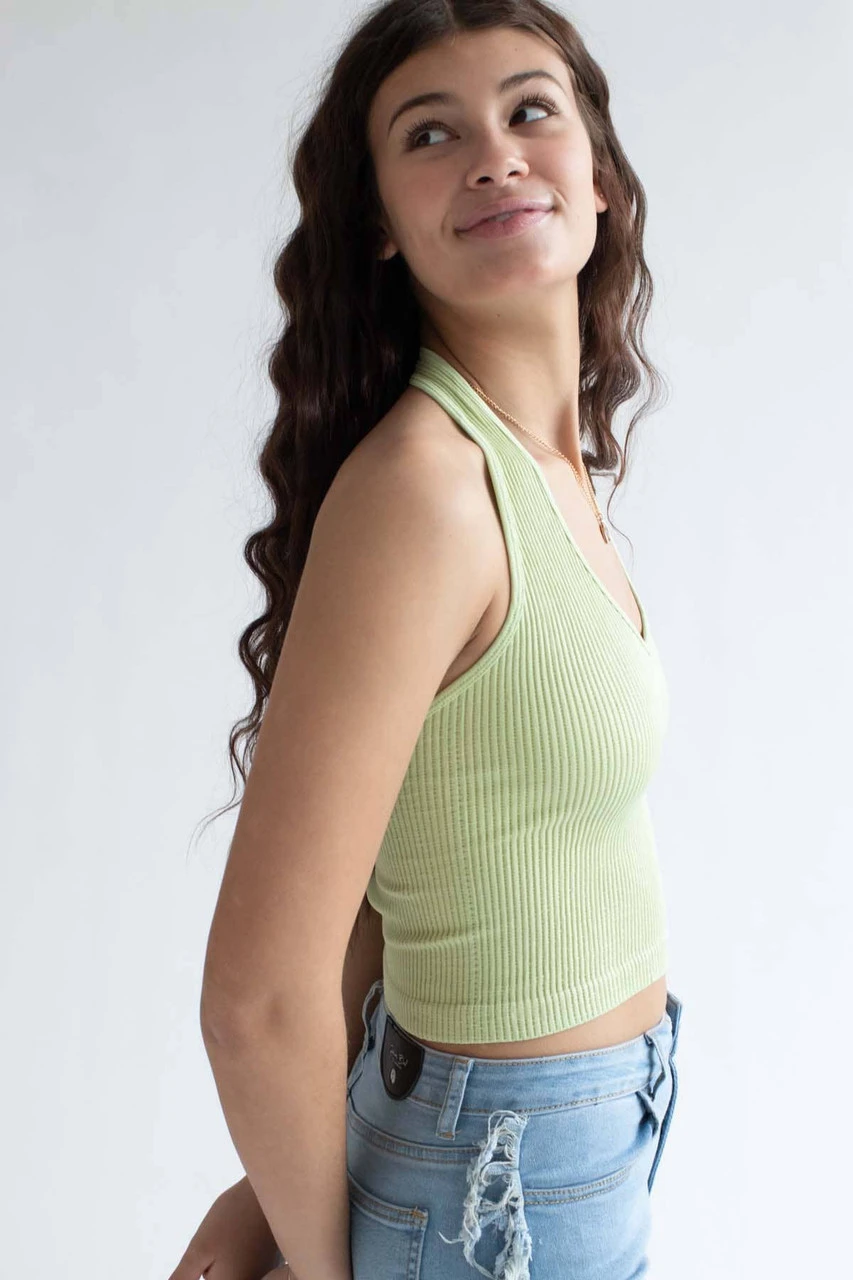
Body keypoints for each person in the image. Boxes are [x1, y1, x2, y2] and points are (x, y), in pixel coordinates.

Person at [172, 2, 684, 1278]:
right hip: (497, 1187)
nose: (494, 155)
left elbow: (395, 871)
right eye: (431, 133)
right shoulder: (429, 490)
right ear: (382, 228)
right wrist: (322, 1255)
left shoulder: (537, 473)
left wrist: (280, 1186)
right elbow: (256, 994)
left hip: (551, 1152)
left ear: (599, 175)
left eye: (528, 110)